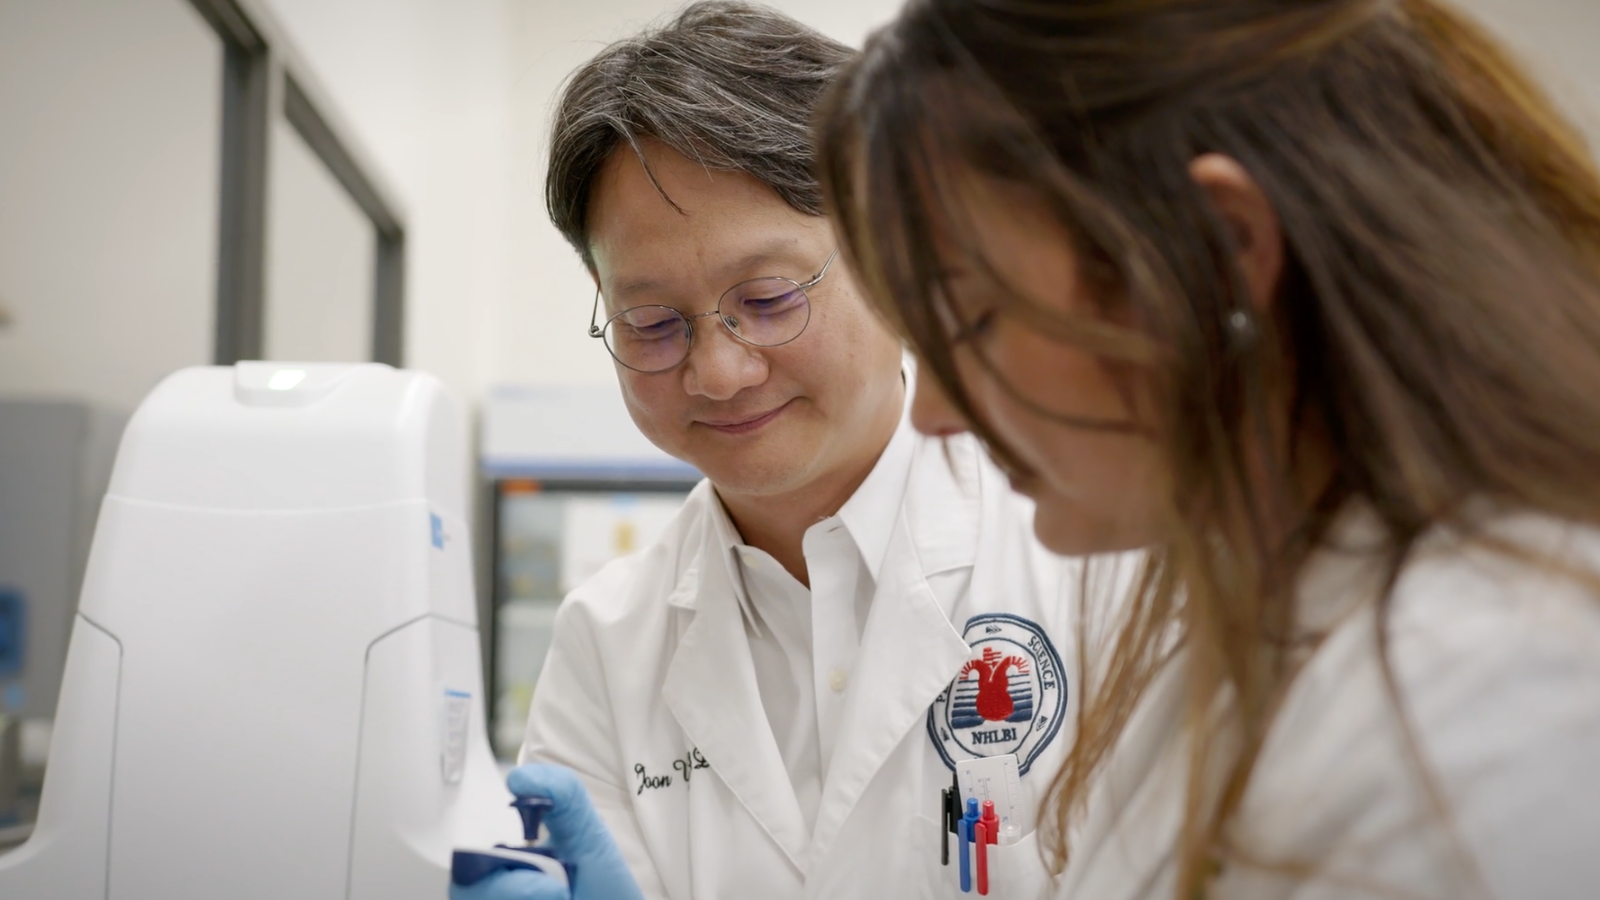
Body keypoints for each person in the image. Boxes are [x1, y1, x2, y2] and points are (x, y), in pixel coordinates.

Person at [810, 0, 1600, 897]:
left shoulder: (1488, 713)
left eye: (969, 318)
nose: (935, 415)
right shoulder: (1262, 632)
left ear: (1219, 248)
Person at [453, 4, 1121, 899]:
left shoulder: (1096, 553)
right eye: (650, 324)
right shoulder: (606, 645)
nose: (719, 372)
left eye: (768, 299)